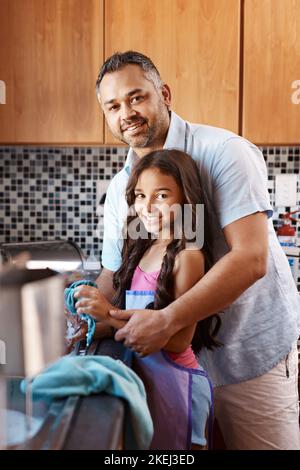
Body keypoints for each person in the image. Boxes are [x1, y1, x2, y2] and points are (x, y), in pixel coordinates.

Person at [73, 51, 300, 450]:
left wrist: (166, 321)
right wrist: (88, 313)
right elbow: (115, 274)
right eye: (113, 106)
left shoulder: (224, 152)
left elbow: (251, 258)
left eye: (136, 97)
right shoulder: (125, 188)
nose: (126, 112)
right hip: (171, 368)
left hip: (248, 352)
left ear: (164, 94)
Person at [75, 148, 220, 449]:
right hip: (145, 378)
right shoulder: (143, 248)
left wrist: (109, 312)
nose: (147, 206)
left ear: (186, 199)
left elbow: (179, 339)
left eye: (162, 195)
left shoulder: (188, 257)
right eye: (141, 195)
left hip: (179, 385)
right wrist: (88, 326)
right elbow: (134, 317)